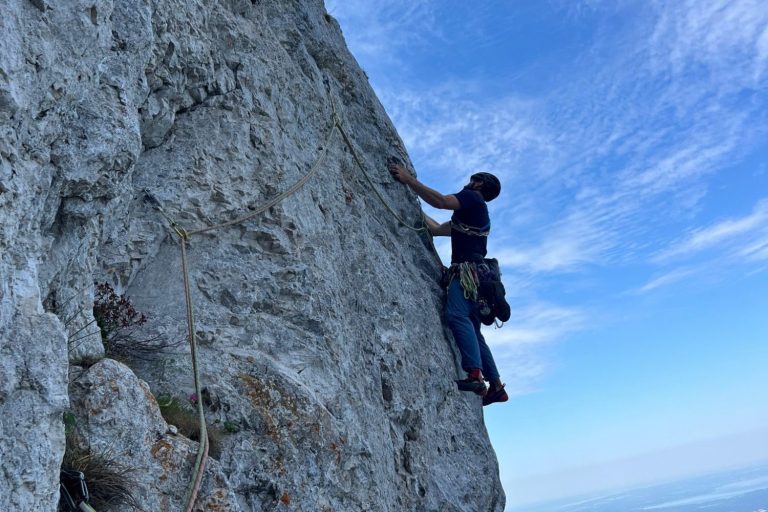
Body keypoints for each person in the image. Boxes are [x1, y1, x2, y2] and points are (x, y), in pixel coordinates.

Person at [388, 161, 509, 406]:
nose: (469, 180)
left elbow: (442, 202)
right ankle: (496, 386)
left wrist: (408, 180)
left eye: (474, 178)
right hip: (480, 277)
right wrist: (411, 209)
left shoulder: (472, 198)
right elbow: (437, 229)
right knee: (474, 330)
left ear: (479, 183)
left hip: (467, 275)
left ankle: (475, 374)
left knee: (456, 316)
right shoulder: (476, 216)